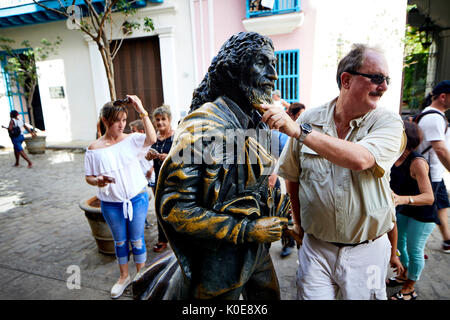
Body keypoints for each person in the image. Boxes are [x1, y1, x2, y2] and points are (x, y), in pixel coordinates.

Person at [262, 43, 406, 299]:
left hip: (368, 251)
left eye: (387, 79)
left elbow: (361, 159)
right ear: (346, 80)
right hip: (317, 248)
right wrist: (300, 225)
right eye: (376, 78)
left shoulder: (388, 121)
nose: (384, 86)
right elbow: (292, 178)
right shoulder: (310, 119)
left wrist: (299, 131)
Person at [154, 31, 290, 299]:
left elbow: (248, 187)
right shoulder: (200, 129)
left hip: (257, 253)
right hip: (218, 265)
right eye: (262, 63)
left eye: (273, 64)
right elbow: (176, 208)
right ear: (233, 70)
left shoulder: (254, 122)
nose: (273, 74)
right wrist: (247, 230)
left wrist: (280, 210)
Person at [84, 95, 156, 299]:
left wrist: (141, 109)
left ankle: (141, 278)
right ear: (106, 121)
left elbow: (152, 138)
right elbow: (88, 177)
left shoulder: (132, 140)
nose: (122, 125)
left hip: (137, 198)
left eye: (124, 120)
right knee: (120, 242)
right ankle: (123, 277)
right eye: (118, 121)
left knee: (137, 239)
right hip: (111, 204)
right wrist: (98, 180)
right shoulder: (94, 149)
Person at [389, 120, 438, 300]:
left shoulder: (417, 162)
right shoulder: (395, 156)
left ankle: (410, 287)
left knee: (414, 249)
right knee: (399, 245)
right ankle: (403, 275)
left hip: (423, 213)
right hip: (405, 209)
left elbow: (429, 197)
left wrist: (402, 199)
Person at [415, 80, 450, 253]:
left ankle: (447, 240)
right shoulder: (435, 118)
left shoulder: (432, 114)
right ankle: (413, 254)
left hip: (435, 173)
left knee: (442, 206)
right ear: (443, 97)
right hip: (429, 175)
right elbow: (440, 150)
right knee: (422, 219)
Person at [145, 105, 174, 253]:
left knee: (175, 210)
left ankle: (177, 239)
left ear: (169, 120)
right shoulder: (154, 138)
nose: (160, 122)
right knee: (159, 210)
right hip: (159, 181)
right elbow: (146, 155)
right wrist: (149, 156)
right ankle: (162, 239)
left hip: (174, 182)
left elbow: (184, 158)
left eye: (163, 119)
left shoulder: (176, 137)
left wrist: (168, 158)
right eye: (157, 120)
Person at [129, 119, 155, 229]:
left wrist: (151, 170)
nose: (131, 133)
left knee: (156, 196)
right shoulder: (133, 145)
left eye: (133, 131)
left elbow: (155, 159)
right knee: (140, 200)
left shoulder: (147, 144)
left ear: (141, 131)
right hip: (141, 177)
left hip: (151, 175)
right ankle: (144, 221)